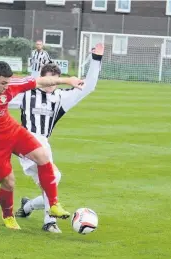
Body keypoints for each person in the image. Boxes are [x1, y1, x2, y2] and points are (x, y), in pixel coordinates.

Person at [0, 61, 84, 230]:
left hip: (13, 131)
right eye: (2, 83)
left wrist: (68, 80)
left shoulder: (11, 84)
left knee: (43, 156)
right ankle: (8, 215)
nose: (6, 87)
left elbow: (40, 81)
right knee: (9, 183)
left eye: (8, 83)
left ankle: (53, 204)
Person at [12, 43, 104, 233]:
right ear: (41, 79)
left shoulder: (61, 97)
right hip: (25, 144)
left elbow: (89, 87)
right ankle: (49, 222)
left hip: (43, 145)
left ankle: (28, 206)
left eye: (55, 81)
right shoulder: (26, 94)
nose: (51, 84)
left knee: (53, 179)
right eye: (48, 80)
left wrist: (96, 60)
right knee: (52, 178)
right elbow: (1, 97)